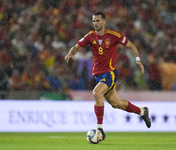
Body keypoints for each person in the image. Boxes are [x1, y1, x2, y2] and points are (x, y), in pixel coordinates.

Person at [64, 12, 151, 141]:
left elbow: (131, 45)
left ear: (104, 21)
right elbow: (77, 46)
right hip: (98, 75)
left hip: (109, 72)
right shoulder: (90, 36)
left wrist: (138, 59)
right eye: (94, 21)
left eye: (98, 21)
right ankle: (142, 112)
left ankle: (99, 129)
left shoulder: (113, 35)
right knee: (116, 104)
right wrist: (70, 54)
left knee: (96, 93)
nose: (95, 23)